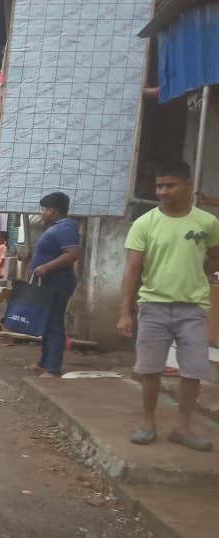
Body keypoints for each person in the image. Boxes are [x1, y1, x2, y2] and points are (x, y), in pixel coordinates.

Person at [120, 161, 219, 452]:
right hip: (153, 306)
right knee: (150, 370)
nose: (163, 191)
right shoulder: (144, 224)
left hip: (193, 309)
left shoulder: (207, 223)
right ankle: (148, 424)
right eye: (159, 186)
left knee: (193, 371)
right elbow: (131, 270)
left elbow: (216, 256)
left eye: (170, 185)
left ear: (188, 185)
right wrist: (124, 313)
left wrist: (201, 270)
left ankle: (182, 428)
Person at [27, 193, 82, 378]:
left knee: (54, 324)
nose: (42, 213)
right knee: (47, 322)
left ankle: (53, 368)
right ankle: (44, 362)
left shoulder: (65, 228)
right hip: (49, 283)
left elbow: (73, 253)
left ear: (52, 210)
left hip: (58, 283)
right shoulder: (57, 227)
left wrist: (46, 267)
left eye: (44, 209)